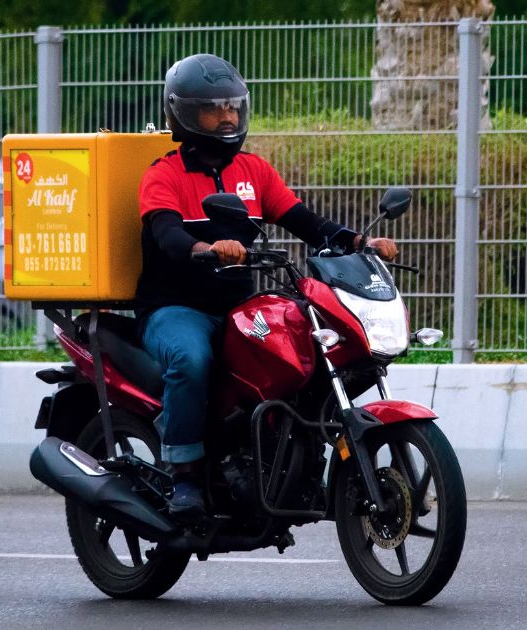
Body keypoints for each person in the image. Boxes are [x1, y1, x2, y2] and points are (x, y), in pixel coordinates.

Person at [136, 53, 397, 520]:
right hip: (175, 307)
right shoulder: (164, 174)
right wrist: (208, 248)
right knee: (191, 359)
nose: (229, 116)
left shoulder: (254, 172)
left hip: (240, 304)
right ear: (184, 114)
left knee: (302, 355)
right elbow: (167, 237)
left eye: (234, 106)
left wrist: (361, 242)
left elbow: (305, 221)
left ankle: (288, 464)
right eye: (215, 108)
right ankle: (186, 477)